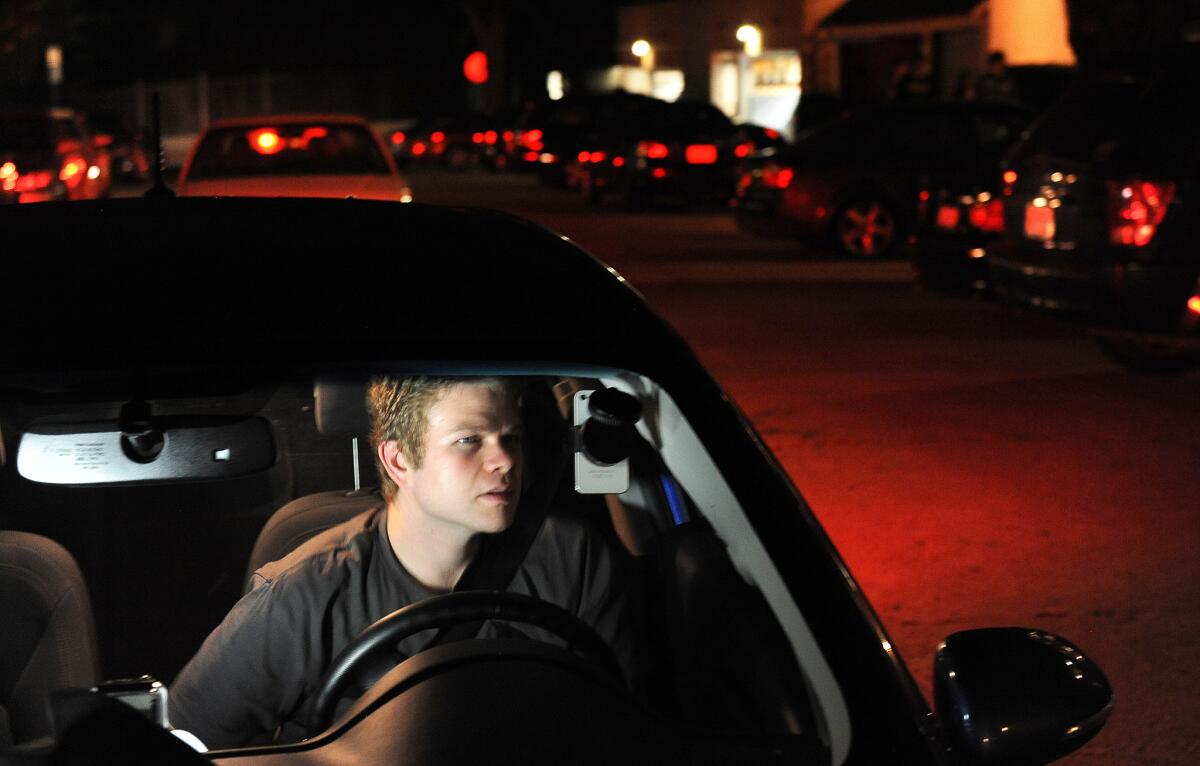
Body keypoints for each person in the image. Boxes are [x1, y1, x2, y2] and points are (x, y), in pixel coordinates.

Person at [168, 376, 638, 749]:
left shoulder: (574, 559)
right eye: (469, 439)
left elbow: (627, 727)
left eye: (510, 438)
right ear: (398, 461)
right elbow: (187, 740)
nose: (504, 461)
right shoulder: (302, 594)